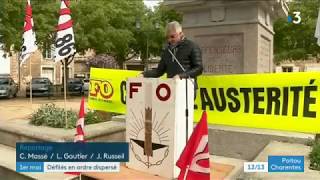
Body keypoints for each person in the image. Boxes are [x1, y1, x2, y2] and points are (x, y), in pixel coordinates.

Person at [142, 21, 203, 95]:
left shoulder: (192, 46)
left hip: (187, 89)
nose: (169, 40)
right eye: (167, 37)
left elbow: (199, 68)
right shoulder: (167, 50)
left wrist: (181, 76)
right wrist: (144, 74)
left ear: (181, 34)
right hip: (170, 89)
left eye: (172, 36)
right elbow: (159, 71)